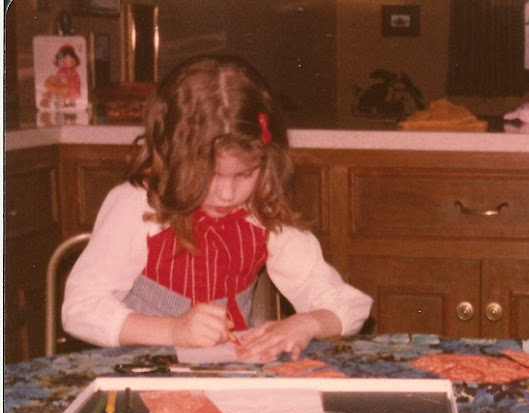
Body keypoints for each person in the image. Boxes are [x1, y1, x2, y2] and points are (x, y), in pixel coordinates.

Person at [63, 55, 372, 362]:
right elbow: (80, 308)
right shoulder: (138, 207)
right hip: (141, 371)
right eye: (210, 175)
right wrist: (174, 331)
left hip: (230, 375)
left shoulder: (260, 211)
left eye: (245, 174)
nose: (227, 195)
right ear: (174, 158)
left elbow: (347, 304)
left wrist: (306, 323)